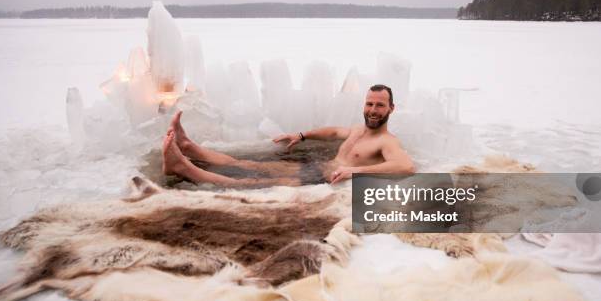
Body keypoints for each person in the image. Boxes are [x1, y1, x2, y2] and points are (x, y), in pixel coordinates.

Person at [162, 84, 415, 187]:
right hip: (316, 168)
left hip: (321, 183)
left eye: (380, 105)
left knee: (251, 184)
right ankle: (189, 147)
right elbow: (334, 132)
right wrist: (303, 135)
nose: (373, 110)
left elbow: (405, 166)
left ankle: (184, 169)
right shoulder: (359, 130)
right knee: (245, 164)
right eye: (370, 104)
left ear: (391, 109)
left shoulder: (387, 142)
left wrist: (353, 172)